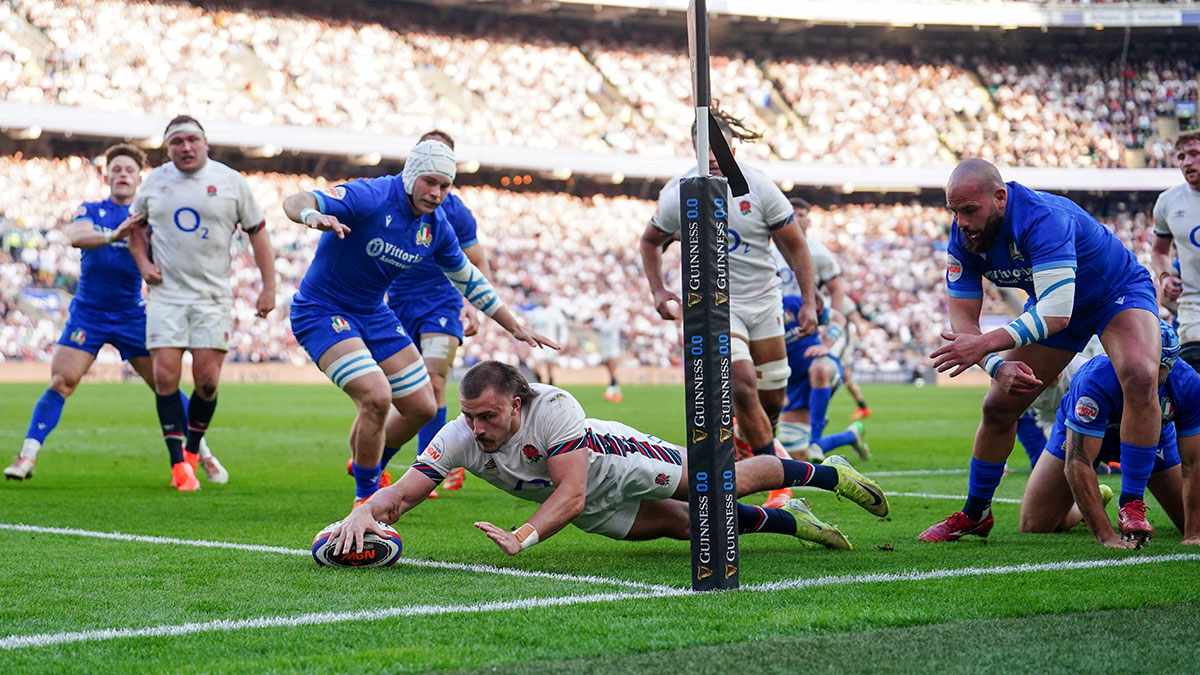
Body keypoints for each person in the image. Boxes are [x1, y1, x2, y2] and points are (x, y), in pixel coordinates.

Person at [325, 360, 889, 557]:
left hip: (619, 463)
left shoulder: (556, 409)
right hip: (581, 501)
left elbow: (569, 492)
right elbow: (405, 492)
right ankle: (796, 524)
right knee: (693, 532)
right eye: (469, 416)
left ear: (518, 405)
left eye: (488, 417)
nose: (476, 428)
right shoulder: (457, 436)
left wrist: (524, 537)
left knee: (721, 485)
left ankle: (828, 474)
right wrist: (365, 513)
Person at [281, 139, 557, 506]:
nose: (437, 193)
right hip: (322, 309)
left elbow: (468, 278)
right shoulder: (372, 195)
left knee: (423, 407)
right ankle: (366, 500)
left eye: (445, 186)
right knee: (377, 396)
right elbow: (295, 200)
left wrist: (513, 325)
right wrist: (311, 216)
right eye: (430, 182)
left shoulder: (437, 225)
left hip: (374, 313)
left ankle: (367, 458)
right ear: (412, 175)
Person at [923, 158, 1162, 543]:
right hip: (1058, 307)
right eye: (954, 211)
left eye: (969, 210)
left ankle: (1131, 504)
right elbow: (964, 323)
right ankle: (975, 513)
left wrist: (985, 345)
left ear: (1000, 198)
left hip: (1114, 293)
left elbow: (1054, 315)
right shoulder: (963, 236)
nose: (961, 221)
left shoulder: (1042, 218)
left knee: (1140, 373)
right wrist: (996, 367)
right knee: (998, 405)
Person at [5, 144, 213, 482]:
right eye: (116, 169)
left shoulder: (150, 217)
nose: (122, 175)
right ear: (107, 175)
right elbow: (76, 236)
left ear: (138, 178)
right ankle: (27, 456)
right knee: (62, 380)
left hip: (133, 315)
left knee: (165, 385)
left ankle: (201, 454)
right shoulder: (92, 210)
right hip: (89, 314)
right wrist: (113, 235)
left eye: (129, 170)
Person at [641, 109, 818, 462]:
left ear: (734, 151)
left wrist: (809, 301)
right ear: (694, 152)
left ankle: (745, 441)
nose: (713, 160)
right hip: (716, 304)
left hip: (764, 300)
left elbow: (796, 247)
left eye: (719, 153)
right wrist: (659, 291)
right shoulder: (678, 192)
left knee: (771, 400)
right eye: (704, 154)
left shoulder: (760, 187)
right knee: (739, 384)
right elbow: (649, 241)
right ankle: (776, 474)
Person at [126, 115, 275, 492]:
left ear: (205, 143)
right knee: (164, 376)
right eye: (177, 142)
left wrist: (268, 286)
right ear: (168, 147)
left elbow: (257, 233)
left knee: (207, 382)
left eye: (192, 139)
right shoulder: (154, 183)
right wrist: (143, 263)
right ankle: (179, 466)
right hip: (167, 295)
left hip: (212, 296)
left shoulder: (230, 182)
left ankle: (192, 452)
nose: (185, 147)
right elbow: (135, 232)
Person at [374, 130, 487, 495]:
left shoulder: (455, 210)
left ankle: (429, 467)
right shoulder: (394, 200)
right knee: (403, 393)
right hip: (398, 301)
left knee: (435, 380)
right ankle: (376, 461)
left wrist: (472, 305)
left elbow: (476, 259)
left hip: (442, 302)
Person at [1019, 321, 1200, 547]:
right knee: (1034, 524)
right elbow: (1078, 461)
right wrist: (1106, 535)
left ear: (1171, 365)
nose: (1145, 370)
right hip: (1085, 436)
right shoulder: (1094, 380)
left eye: (1156, 365)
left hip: (1152, 441)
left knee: (1191, 522)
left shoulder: (1188, 383)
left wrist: (1194, 533)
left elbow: (1194, 462)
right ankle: (1081, 511)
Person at [775, 198, 870, 420]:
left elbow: (837, 289)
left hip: (809, 324)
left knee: (820, 371)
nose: (797, 219)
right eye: (792, 214)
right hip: (778, 324)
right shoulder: (771, 251)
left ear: (809, 219)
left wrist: (828, 326)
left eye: (801, 214)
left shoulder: (819, 253)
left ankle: (813, 426)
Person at [775, 295, 870, 467]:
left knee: (819, 369)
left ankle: (816, 441)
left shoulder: (792, 303)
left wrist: (826, 344)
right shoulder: (752, 317)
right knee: (798, 457)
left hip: (823, 366)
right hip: (793, 387)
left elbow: (838, 318)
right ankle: (851, 435)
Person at [1151, 130, 1200, 371]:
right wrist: (1166, 276)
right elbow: (1159, 251)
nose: (1187, 162)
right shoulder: (1168, 202)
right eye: (1181, 157)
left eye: (1194, 154)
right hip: (1193, 308)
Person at [526, 293, 569, 386]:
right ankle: (540, 380)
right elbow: (530, 328)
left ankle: (550, 382)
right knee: (536, 364)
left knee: (550, 365)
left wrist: (563, 341)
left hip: (550, 342)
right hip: (537, 343)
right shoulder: (535, 312)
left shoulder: (555, 312)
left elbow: (562, 327)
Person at [592, 301, 624, 402]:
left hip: (614, 348)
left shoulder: (615, 321)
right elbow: (593, 328)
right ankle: (617, 391)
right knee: (610, 371)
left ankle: (610, 390)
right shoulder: (600, 322)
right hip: (604, 349)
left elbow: (624, 330)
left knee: (612, 368)